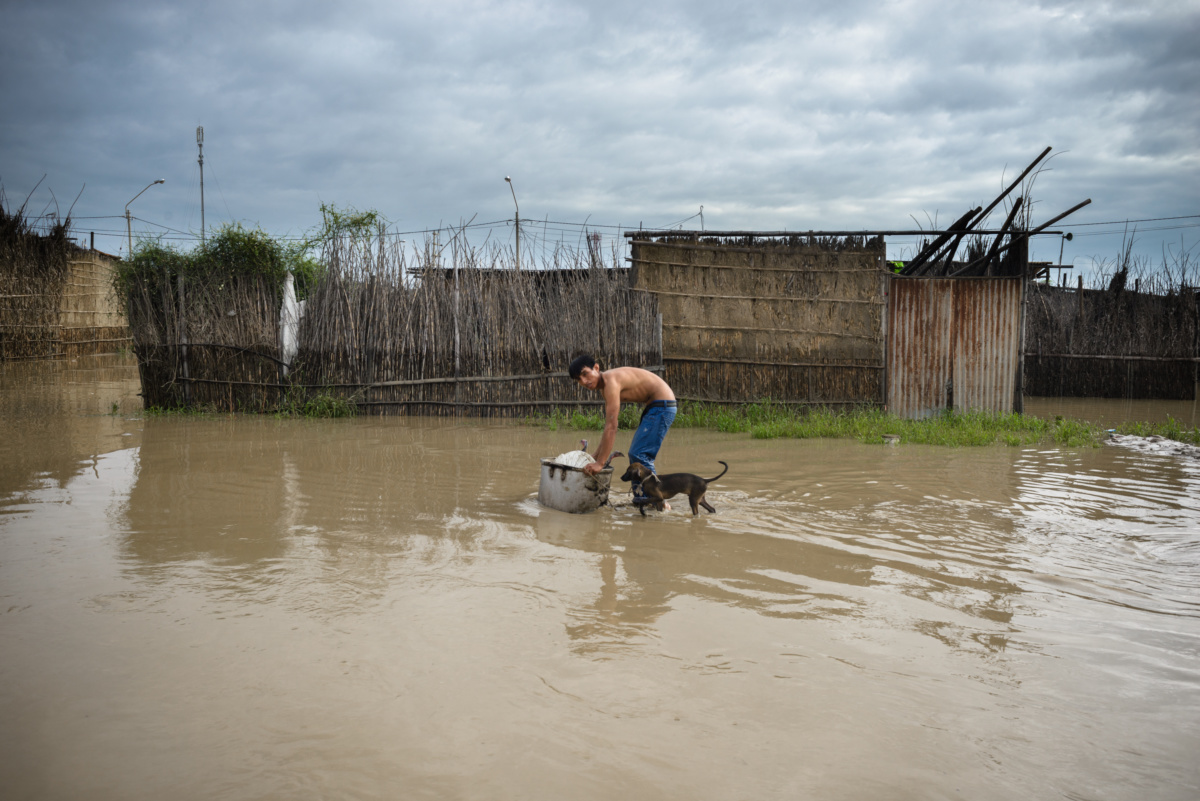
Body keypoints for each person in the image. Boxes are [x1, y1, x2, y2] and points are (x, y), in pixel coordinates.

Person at [569, 354, 676, 504]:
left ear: (596, 368)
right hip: (657, 406)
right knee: (637, 454)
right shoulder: (605, 387)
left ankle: (657, 501)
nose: (584, 381)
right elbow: (608, 428)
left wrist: (600, 463)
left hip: (662, 406)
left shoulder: (611, 382)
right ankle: (642, 499)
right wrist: (595, 456)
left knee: (640, 454)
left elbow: (612, 427)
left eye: (585, 374)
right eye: (578, 379)